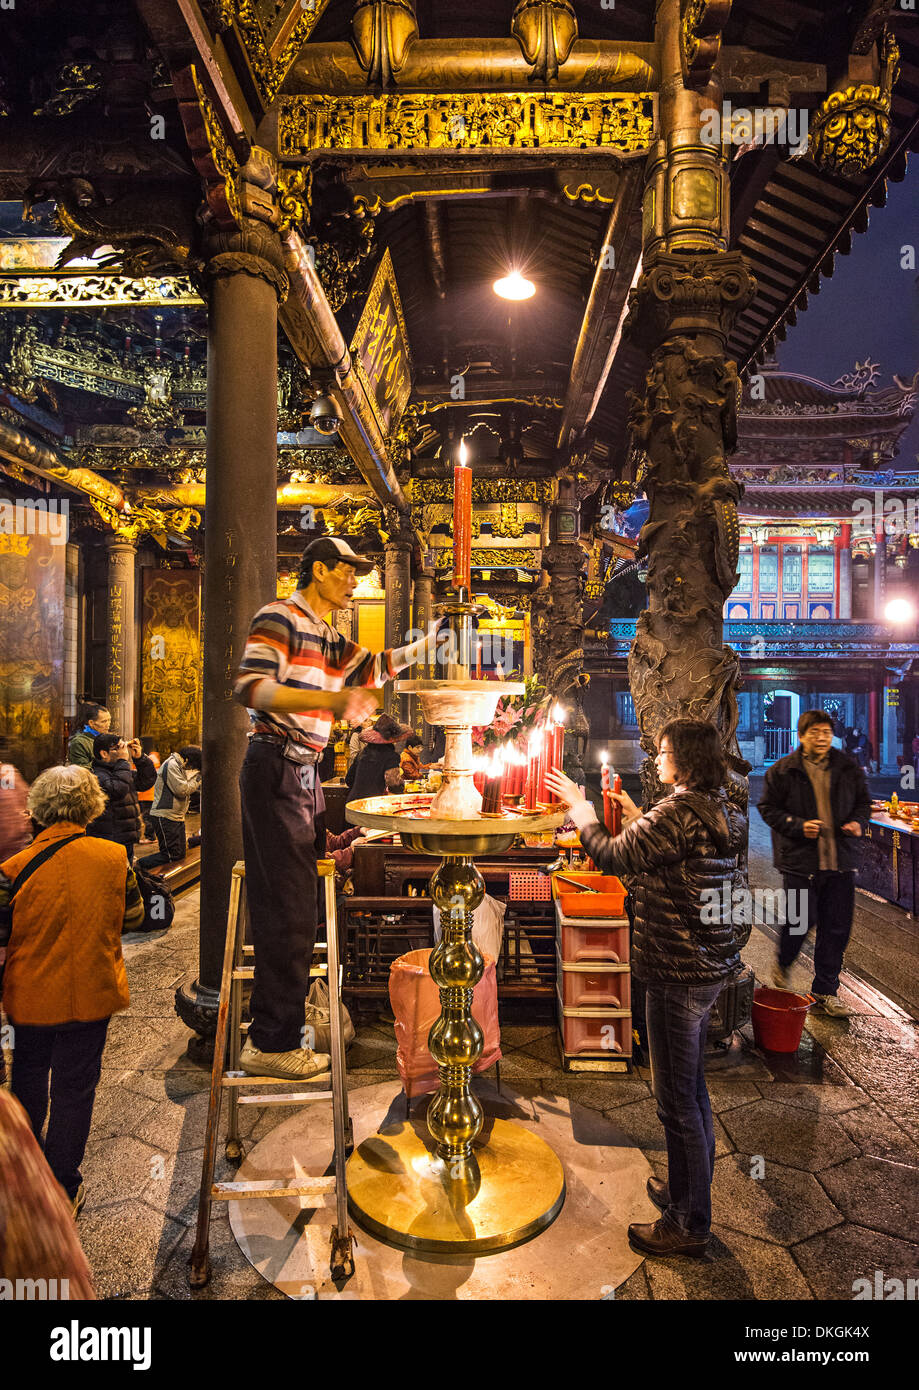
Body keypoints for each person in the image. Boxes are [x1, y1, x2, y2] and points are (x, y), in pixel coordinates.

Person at [233, 535, 444, 1082]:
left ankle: (282, 1017)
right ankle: (270, 1042)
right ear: (319, 570)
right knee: (287, 906)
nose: (354, 581)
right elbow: (250, 688)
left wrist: (424, 647)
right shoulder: (279, 617)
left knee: (300, 900)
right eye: (348, 572)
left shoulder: (329, 633)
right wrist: (327, 701)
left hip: (302, 769)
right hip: (274, 764)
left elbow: (370, 669)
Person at [547, 720, 748, 1260]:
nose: (657, 760)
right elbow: (678, 863)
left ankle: (688, 1223)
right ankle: (687, 1195)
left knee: (676, 1101)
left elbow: (614, 857)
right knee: (694, 1093)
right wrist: (639, 821)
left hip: (676, 971)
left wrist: (580, 809)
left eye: (663, 753)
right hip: (709, 967)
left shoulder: (678, 813)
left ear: (684, 760)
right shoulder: (723, 809)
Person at [0, 765, 144, 1215]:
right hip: (91, 993)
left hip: (29, 997)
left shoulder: (11, 870)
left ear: (38, 809)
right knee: (75, 1089)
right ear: (92, 806)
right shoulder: (114, 857)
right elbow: (136, 919)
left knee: (27, 1081)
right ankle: (64, 1185)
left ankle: (24, 1182)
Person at [758, 708, 870, 1017]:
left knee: (836, 928)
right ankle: (783, 965)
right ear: (801, 735)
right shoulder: (783, 771)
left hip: (839, 862)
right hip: (800, 864)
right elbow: (767, 808)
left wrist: (859, 822)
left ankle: (825, 990)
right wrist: (797, 825)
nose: (822, 738)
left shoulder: (847, 767)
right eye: (814, 732)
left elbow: (863, 802)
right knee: (799, 922)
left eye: (826, 732)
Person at [87, 734, 156, 865]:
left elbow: (145, 782)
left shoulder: (120, 771)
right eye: (118, 747)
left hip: (125, 836)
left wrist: (140, 759)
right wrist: (123, 761)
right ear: (104, 753)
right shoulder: (97, 775)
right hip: (109, 838)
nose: (123, 751)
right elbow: (117, 789)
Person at [138, 745, 202, 869]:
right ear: (188, 760)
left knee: (179, 854)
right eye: (193, 765)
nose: (191, 769)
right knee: (170, 855)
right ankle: (140, 866)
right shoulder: (172, 764)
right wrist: (198, 777)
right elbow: (182, 789)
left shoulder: (179, 766)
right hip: (165, 815)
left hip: (176, 816)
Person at [346, 712, 405, 803]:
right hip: (372, 804)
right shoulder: (391, 756)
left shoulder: (363, 753)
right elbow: (394, 785)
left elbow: (349, 780)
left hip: (353, 803)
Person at [0, 739, 30, 861]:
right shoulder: (8, 771)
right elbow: (25, 799)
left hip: (10, 846)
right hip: (18, 847)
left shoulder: (7, 772)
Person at [66, 702, 111, 768]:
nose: (108, 724)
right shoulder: (79, 742)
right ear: (91, 723)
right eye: (104, 721)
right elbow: (82, 770)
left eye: (109, 720)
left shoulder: (106, 737)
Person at [137, 738, 161, 842]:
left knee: (147, 816)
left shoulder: (150, 758)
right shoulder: (154, 757)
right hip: (147, 793)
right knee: (147, 815)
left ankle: (150, 837)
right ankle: (150, 836)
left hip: (147, 793)